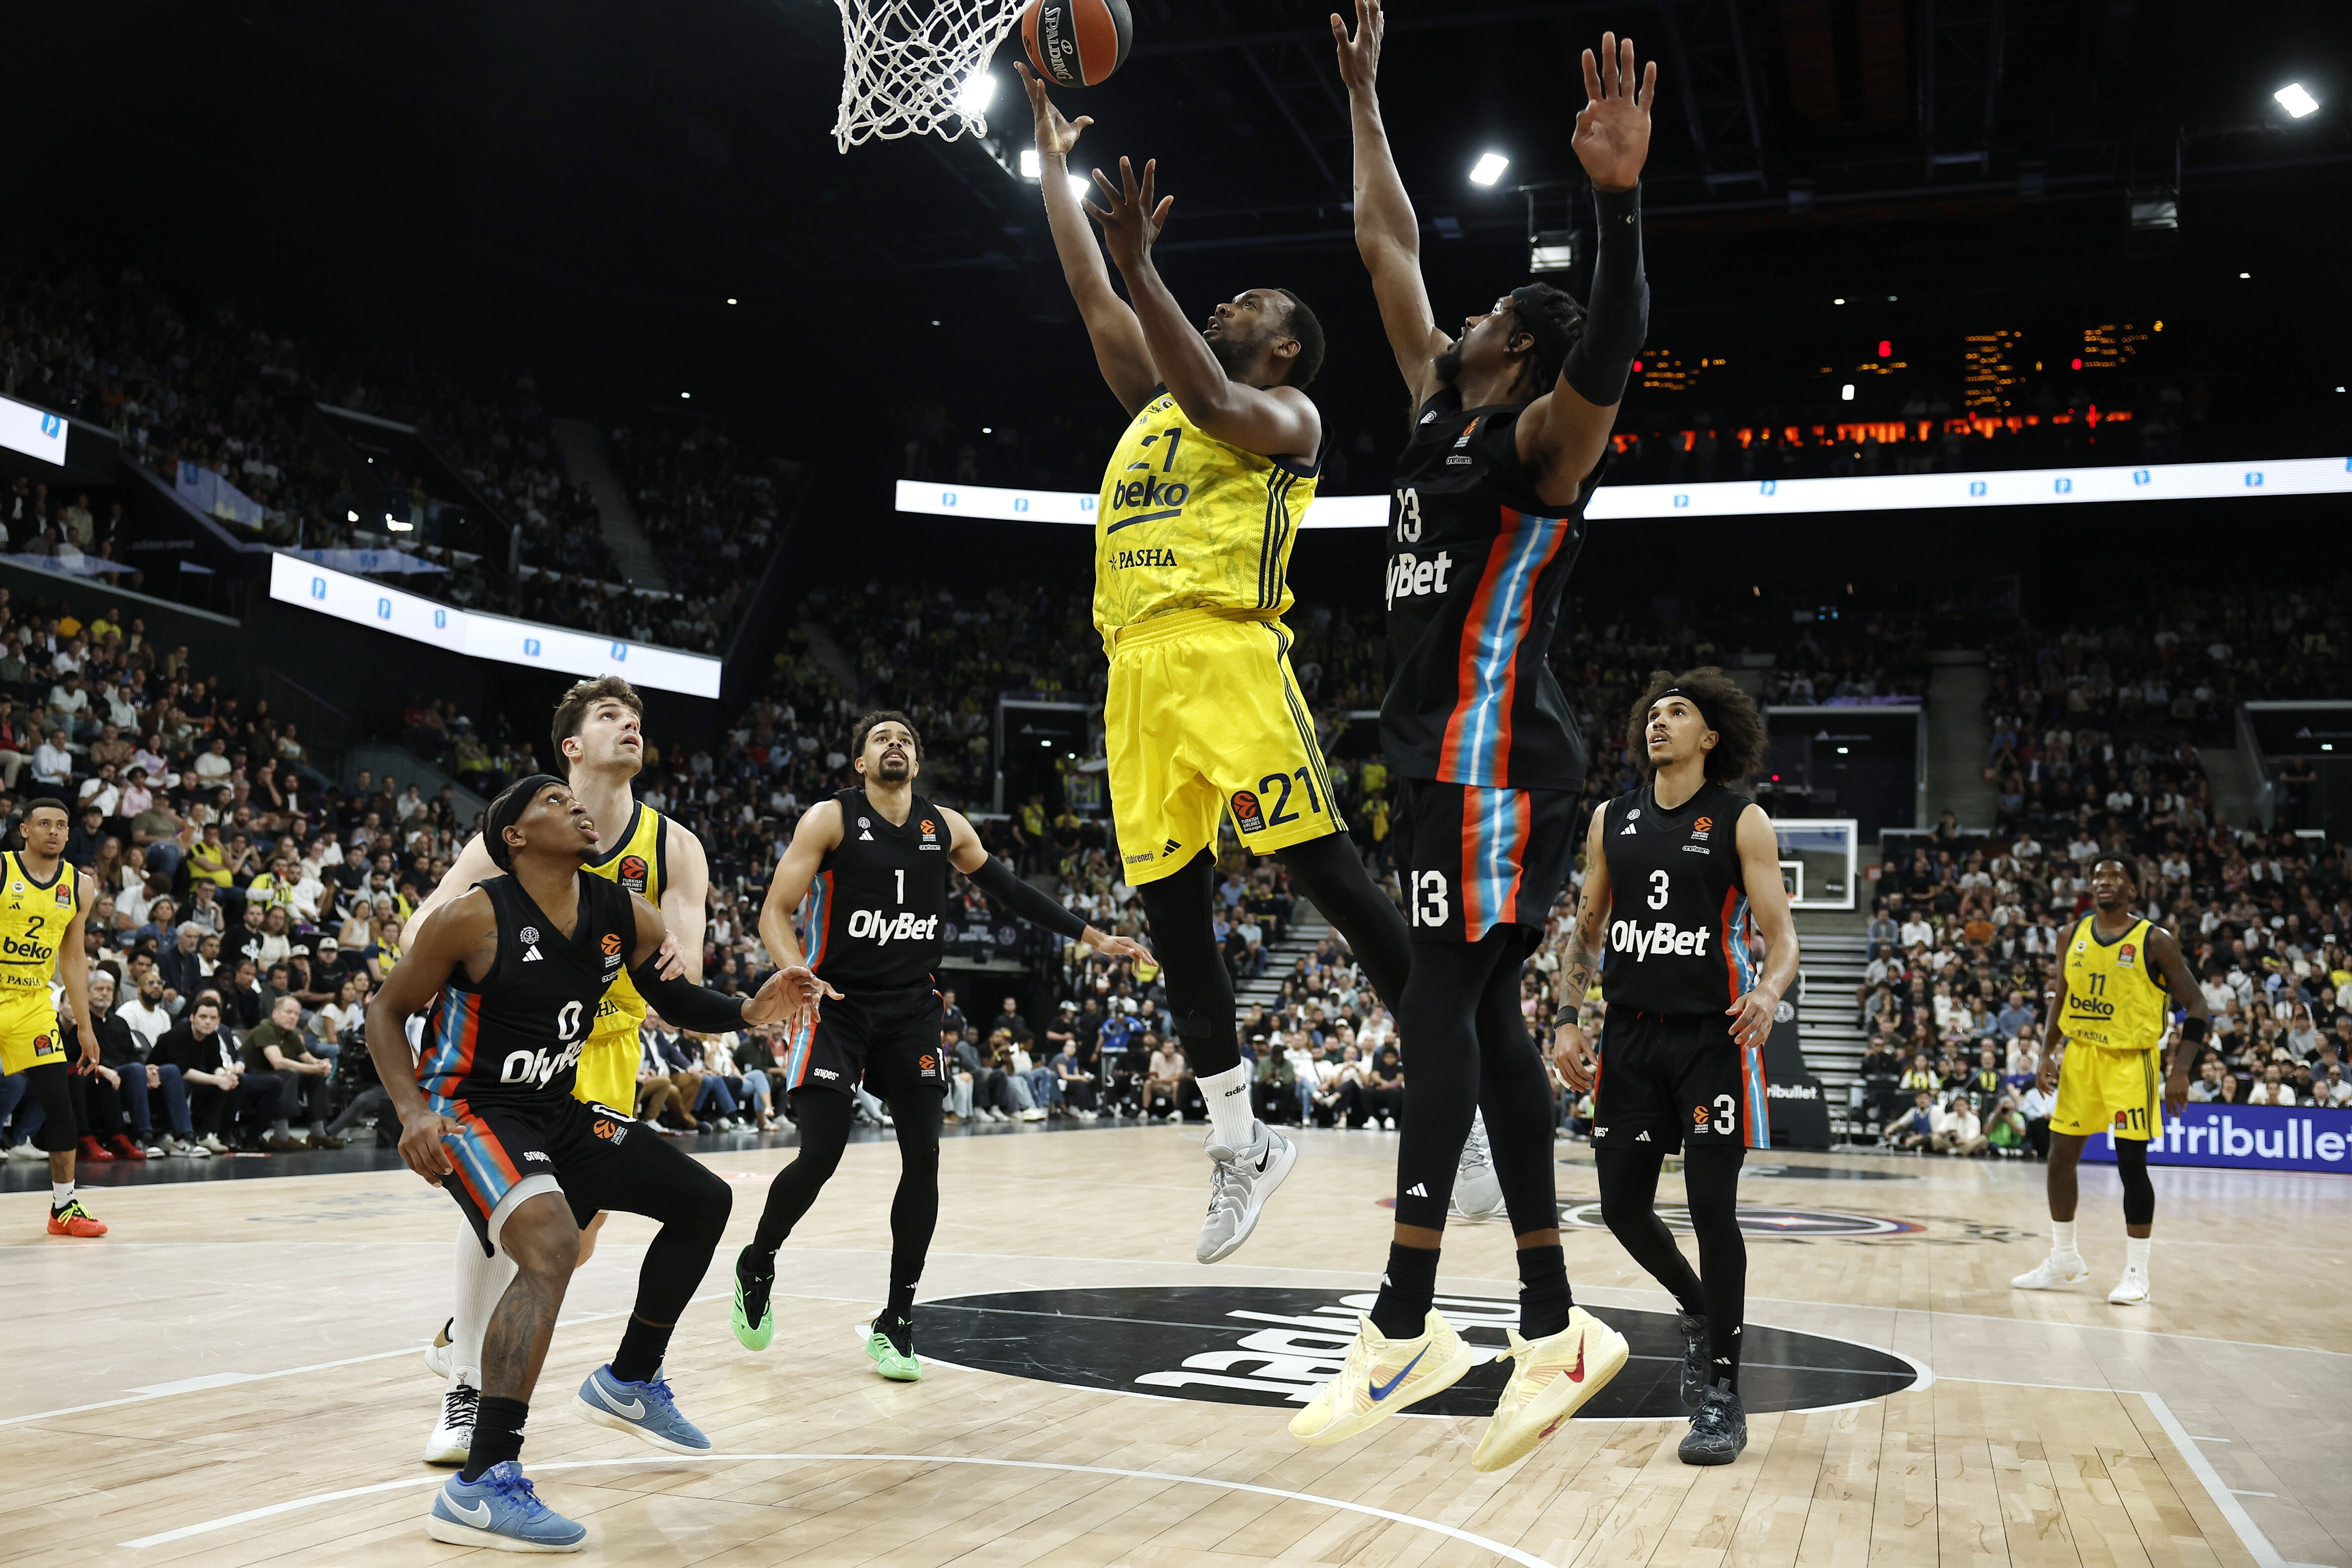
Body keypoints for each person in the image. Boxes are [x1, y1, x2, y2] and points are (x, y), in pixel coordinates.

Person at [1295, 8, 1661, 1474]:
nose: (1458, 316)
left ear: (1519, 343)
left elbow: (1616, 351)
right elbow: (1383, 249)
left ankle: (1399, 1320)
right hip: (1432, 772)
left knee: (1437, 1007)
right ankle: (1552, 1321)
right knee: (1486, 1029)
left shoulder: (1533, 450)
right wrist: (1364, 96)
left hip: (1498, 771)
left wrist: (1617, 206)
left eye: (1489, 313)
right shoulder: (1432, 415)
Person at [1023, 62, 1416, 1264]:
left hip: (1229, 655)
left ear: (1284, 347)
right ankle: (1238, 1140)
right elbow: (1089, 282)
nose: (1223, 304)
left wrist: (1148, 266)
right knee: (1172, 917)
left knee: (1331, 883)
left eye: (1243, 299)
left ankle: (1452, 1099)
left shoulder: (1286, 424)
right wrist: (1048, 159)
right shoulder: (1151, 393)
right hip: (1133, 670)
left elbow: (1189, 365)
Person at [365, 775, 806, 1554]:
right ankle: (483, 1481)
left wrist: (746, 1010)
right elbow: (385, 1011)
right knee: (553, 1243)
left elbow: (676, 998)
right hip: (470, 1108)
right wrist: (411, 1112)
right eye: (552, 802)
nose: (574, 807)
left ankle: (630, 1379)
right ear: (517, 838)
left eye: (575, 801)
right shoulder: (472, 916)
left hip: (554, 1108)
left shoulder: (621, 909)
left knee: (703, 1200)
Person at [733, 712, 1146, 1379]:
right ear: (860, 763)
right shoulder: (829, 818)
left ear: (917, 764)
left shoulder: (946, 825)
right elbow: (775, 910)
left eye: (906, 740)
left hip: (911, 1010)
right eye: (881, 740)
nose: (895, 745)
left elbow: (1009, 889)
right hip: (835, 1004)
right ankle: (758, 1260)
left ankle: (896, 1318)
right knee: (821, 1153)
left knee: (923, 1156)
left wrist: (1091, 936)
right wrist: (795, 972)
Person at [403, 676, 712, 1467]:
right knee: (510, 1222)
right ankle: (467, 1385)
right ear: (571, 746)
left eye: (636, 716)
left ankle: (464, 1336)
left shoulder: (673, 846)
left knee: (572, 1240)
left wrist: (709, 991)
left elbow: (682, 972)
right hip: (516, 1048)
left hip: (605, 1048)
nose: (630, 725)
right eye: (609, 715)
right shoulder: (512, 832)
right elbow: (426, 923)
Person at [1551, 670, 1797, 1466]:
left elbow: (1781, 935)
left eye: (1678, 712)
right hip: (1628, 1036)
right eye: (1653, 713)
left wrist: (1767, 989)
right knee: (1621, 1205)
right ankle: (1699, 1309)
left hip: (1711, 1042)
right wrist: (1564, 1018)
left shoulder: (1741, 819)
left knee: (1710, 1207)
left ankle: (1724, 1393)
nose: (1660, 723)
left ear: (1711, 735)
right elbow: (1586, 929)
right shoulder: (1611, 819)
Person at [2010, 854, 2201, 1306]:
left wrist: (2180, 1070)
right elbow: (2062, 998)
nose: (2105, 881)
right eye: (2098, 876)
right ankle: (2063, 1257)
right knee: (2059, 1158)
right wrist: (2046, 1053)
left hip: (2131, 1060)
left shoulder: (2156, 940)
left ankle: (2137, 1271)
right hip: (2081, 1057)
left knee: (2131, 1166)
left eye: (2115, 876)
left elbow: (2197, 1006)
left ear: (2133, 889)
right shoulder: (2069, 935)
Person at [0, 799, 105, 1235]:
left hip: (33, 1004)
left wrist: (85, 1024)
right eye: (44, 824)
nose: (55, 832)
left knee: (60, 1105)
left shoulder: (79, 886)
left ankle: (64, 1208)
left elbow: (74, 956)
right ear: (25, 829)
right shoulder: (3, 870)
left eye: (62, 825)